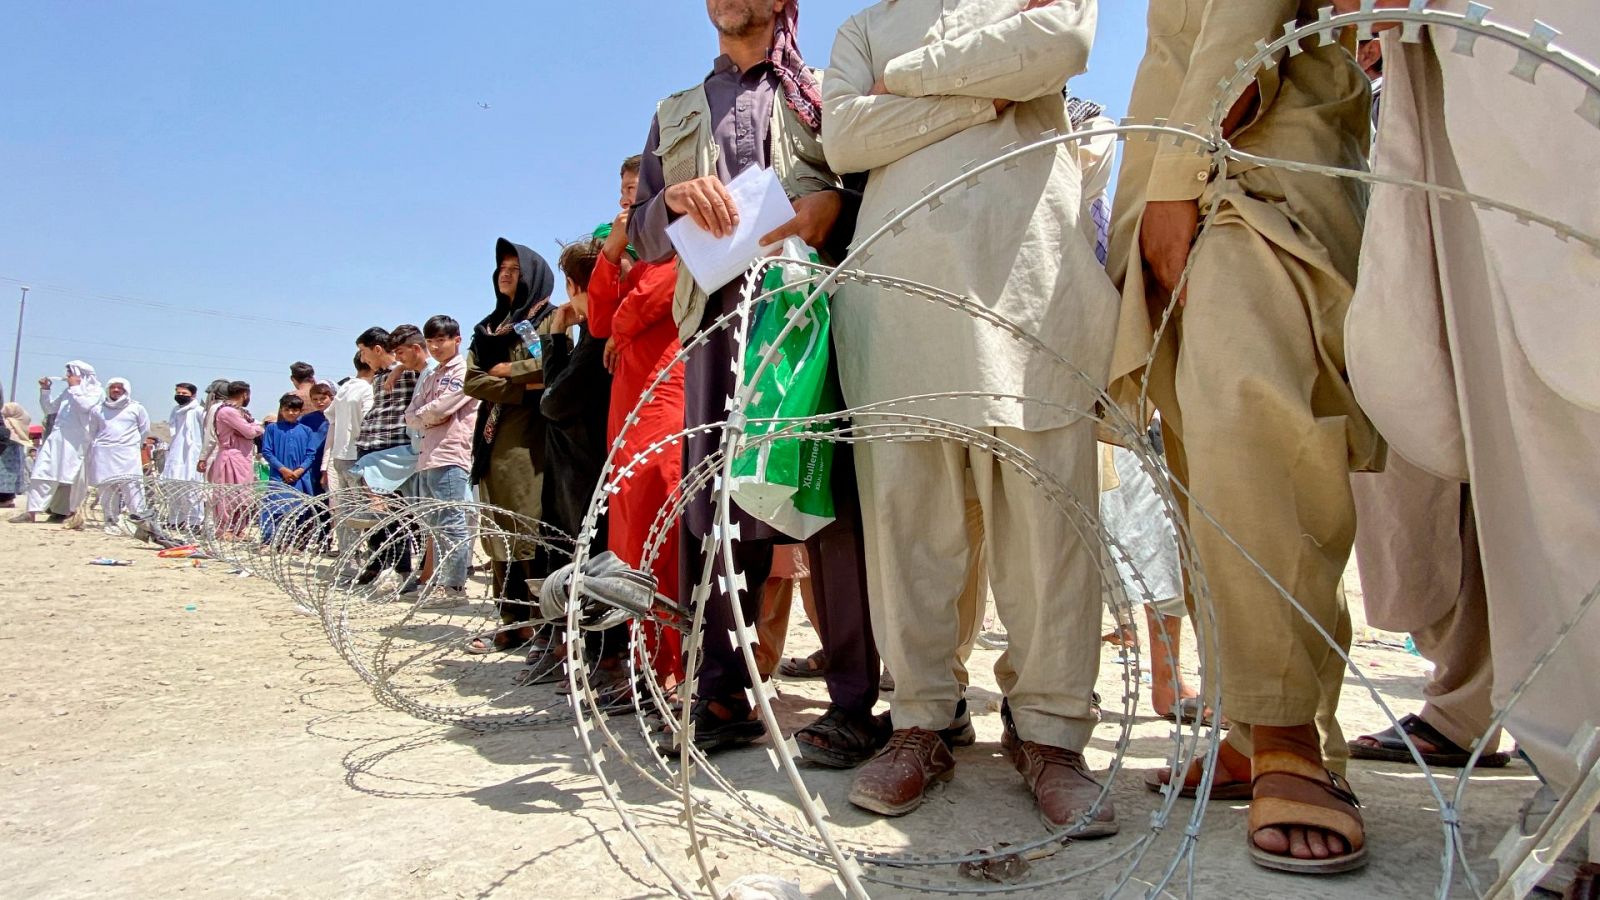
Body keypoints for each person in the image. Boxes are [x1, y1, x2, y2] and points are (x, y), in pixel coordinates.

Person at [822, 0, 1116, 830]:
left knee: (1048, 531)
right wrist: (989, 93)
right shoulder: (861, 29)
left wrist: (910, 83)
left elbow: (1060, 44)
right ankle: (922, 723)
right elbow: (845, 137)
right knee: (911, 527)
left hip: (1031, 290)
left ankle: (1052, 735)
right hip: (898, 303)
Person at [1107, 0, 1375, 873]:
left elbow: (1241, 22)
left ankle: (1291, 728)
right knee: (1197, 462)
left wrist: (1178, 177)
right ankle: (1243, 723)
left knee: (1250, 428)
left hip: (1251, 164)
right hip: (1178, 180)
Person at [1339, 1, 1599, 890]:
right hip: (1467, 88)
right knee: (1516, 455)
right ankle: (1573, 777)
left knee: (1564, 427)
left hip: (1542, 71)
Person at [630, 0, 887, 766]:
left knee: (826, 495)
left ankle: (852, 700)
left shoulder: (823, 90)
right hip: (714, 320)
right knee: (715, 502)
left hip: (810, 313)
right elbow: (642, 227)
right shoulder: (675, 111)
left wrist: (831, 207)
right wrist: (673, 199)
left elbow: (873, 187)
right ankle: (719, 690)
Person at [587, 155, 687, 683]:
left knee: (660, 521)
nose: (629, 200)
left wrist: (622, 329)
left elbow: (653, 299)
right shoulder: (632, 255)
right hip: (627, 402)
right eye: (625, 191)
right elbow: (600, 320)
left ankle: (675, 663)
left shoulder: (681, 241)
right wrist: (611, 254)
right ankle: (646, 662)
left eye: (638, 191)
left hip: (666, 393)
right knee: (628, 533)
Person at [519, 239, 624, 688]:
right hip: (573, 472)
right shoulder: (596, 334)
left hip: (586, 473)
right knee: (571, 559)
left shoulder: (599, 336)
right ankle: (574, 650)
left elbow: (554, 401)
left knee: (590, 564)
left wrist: (553, 337)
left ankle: (602, 659)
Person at [464, 240, 559, 654]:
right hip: (492, 438)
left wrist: (510, 369)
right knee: (497, 533)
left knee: (528, 529)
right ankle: (511, 618)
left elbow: (554, 363)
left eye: (515, 269)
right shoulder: (487, 328)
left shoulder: (549, 317)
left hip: (530, 440)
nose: (506, 274)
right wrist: (521, 388)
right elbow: (472, 381)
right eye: (502, 268)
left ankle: (541, 622)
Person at [404, 315, 481, 604]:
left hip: (450, 452)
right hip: (428, 454)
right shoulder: (433, 375)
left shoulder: (463, 371)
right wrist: (424, 417)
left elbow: (441, 409)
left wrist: (423, 417)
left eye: (441, 340)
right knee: (434, 524)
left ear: (456, 340)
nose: (435, 346)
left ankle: (454, 586)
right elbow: (411, 413)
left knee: (451, 522)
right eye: (431, 341)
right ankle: (438, 581)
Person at [351, 325, 426, 589]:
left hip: (393, 447)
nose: (362, 359)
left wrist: (399, 367)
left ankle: (400, 567)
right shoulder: (380, 377)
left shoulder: (408, 372)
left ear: (378, 349)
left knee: (393, 512)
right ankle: (377, 563)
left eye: (364, 352)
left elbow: (426, 366)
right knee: (375, 514)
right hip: (370, 446)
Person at [12, 361, 102, 524]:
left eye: (70, 374)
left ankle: (71, 512)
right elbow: (49, 409)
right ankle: (31, 512)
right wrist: (45, 390)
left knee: (74, 479)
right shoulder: (68, 392)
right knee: (43, 471)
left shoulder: (96, 392)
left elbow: (85, 407)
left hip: (78, 443)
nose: (67, 377)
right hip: (57, 438)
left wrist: (75, 388)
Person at [323, 355, 376, 559]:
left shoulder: (345, 388)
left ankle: (347, 555)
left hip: (340, 455)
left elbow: (330, 415)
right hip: (357, 454)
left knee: (345, 510)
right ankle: (361, 558)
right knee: (362, 512)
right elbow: (368, 420)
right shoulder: (366, 389)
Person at [207, 381, 263, 540]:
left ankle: (238, 529)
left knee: (243, 495)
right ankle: (225, 529)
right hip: (231, 457)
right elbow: (250, 431)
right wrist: (257, 428)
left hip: (243, 457)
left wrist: (253, 428)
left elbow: (250, 429)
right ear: (245, 394)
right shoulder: (227, 412)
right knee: (228, 495)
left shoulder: (241, 412)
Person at [259, 392, 317, 544]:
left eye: (295, 410)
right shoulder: (272, 429)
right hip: (278, 476)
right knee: (275, 509)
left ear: (300, 411)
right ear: (282, 410)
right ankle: (270, 541)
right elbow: (267, 451)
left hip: (300, 478)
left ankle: (293, 542)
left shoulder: (306, 431)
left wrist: (298, 471)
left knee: (298, 510)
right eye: (287, 410)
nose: (291, 413)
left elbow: (311, 454)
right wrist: (282, 469)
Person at [161, 382, 206, 526]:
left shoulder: (198, 411)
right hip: (175, 453)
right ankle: (176, 520)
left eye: (184, 394)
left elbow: (205, 433)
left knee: (192, 490)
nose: (180, 396)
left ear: (193, 395)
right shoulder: (175, 411)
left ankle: (195, 522)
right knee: (174, 489)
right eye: (178, 393)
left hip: (191, 455)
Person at [1, 402, 34, 508]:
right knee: (10, 477)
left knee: (4, 477)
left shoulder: (9, 421)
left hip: (6, 451)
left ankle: (5, 500)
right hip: (15, 449)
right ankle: (8, 499)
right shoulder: (21, 419)